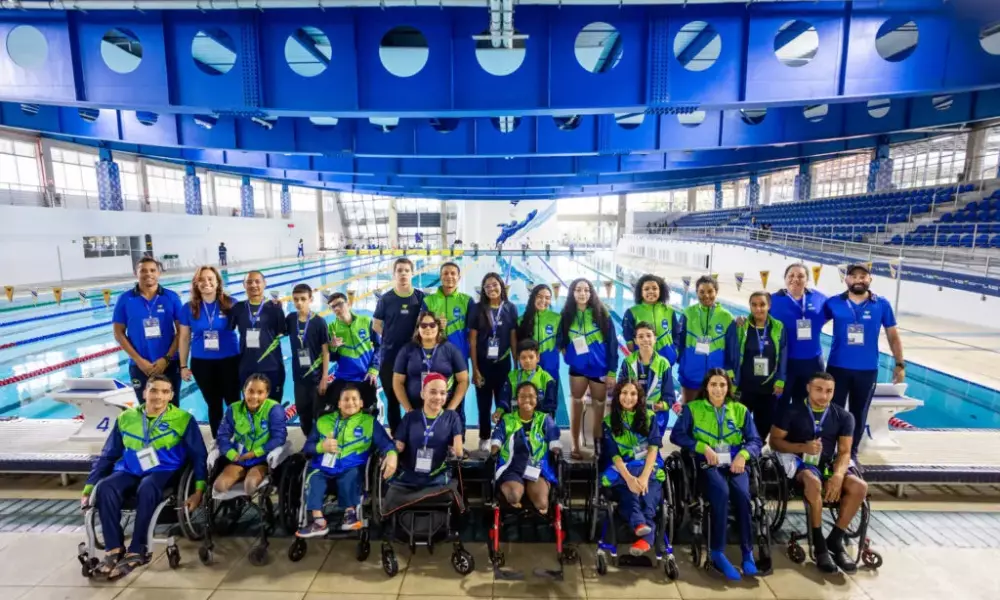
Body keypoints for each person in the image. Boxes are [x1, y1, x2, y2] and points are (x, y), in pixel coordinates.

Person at [81, 375, 207, 580]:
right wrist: (89, 487)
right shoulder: (126, 418)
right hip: (129, 470)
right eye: (154, 390)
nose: (159, 396)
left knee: (147, 487)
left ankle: (138, 548)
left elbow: (199, 455)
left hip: (163, 471)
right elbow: (109, 454)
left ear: (172, 396)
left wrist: (199, 490)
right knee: (105, 488)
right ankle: (114, 549)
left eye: (165, 392)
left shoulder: (183, 419)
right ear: (144, 393)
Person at [670, 368, 762, 581]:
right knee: (720, 493)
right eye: (714, 385)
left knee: (743, 495)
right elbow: (677, 435)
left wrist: (743, 455)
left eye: (722, 385)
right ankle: (717, 551)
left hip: (735, 462)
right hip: (706, 462)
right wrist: (702, 447)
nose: (718, 389)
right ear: (706, 387)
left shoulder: (740, 410)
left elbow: (755, 440)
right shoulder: (692, 409)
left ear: (728, 387)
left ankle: (747, 552)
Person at [769, 372, 866, 574]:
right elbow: (774, 442)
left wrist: (838, 476)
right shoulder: (791, 411)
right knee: (813, 482)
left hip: (829, 464)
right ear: (808, 388)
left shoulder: (844, 416)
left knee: (859, 487)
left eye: (829, 391)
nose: (824, 395)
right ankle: (819, 542)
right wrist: (801, 447)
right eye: (819, 390)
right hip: (801, 462)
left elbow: (846, 451)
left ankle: (835, 540)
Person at [822, 264, 905, 454]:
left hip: (866, 370)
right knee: (834, 412)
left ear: (870, 279)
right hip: (837, 368)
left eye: (863, 276)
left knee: (859, 413)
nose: (858, 280)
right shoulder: (834, 303)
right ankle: (829, 451)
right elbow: (812, 323)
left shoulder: (881, 304)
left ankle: (851, 453)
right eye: (854, 276)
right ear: (846, 279)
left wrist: (899, 364)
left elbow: (893, 335)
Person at [296, 383, 398, 537]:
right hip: (323, 467)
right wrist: (321, 446)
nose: (350, 402)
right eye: (346, 399)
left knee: (350, 477)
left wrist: (391, 455)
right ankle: (318, 521)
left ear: (361, 403)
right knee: (314, 478)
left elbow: (386, 443)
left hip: (352, 466)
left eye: (354, 399)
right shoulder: (323, 421)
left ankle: (350, 513)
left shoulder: (369, 422)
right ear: (339, 403)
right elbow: (307, 447)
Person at [600, 381, 666, 557]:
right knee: (631, 487)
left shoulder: (650, 417)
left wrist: (643, 477)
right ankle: (645, 532)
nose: (628, 398)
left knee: (647, 492)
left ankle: (640, 527)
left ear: (639, 397)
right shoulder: (608, 421)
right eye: (624, 393)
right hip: (622, 471)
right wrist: (629, 478)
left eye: (633, 394)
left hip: (648, 469)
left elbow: (653, 449)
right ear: (617, 396)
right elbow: (614, 455)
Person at [558, 278, 618, 460]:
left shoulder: (601, 313)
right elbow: (561, 340)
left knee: (599, 405)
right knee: (576, 401)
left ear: (591, 293)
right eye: (578, 290)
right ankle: (575, 444)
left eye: (586, 290)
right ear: (572, 293)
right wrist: (569, 357)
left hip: (599, 368)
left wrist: (612, 371)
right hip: (578, 368)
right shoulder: (567, 314)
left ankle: (597, 445)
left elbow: (613, 344)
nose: (582, 293)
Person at [179, 266, 241, 437]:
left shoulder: (231, 304)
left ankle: (239, 437)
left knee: (234, 402)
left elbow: (248, 326)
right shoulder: (188, 308)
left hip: (229, 361)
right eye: (202, 279)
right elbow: (184, 338)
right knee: (213, 404)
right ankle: (218, 440)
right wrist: (183, 365)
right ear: (196, 284)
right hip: (202, 363)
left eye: (210, 279)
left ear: (217, 282)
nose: (206, 283)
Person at [113, 257, 184, 403]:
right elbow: (118, 333)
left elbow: (182, 331)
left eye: (152, 270)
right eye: (143, 270)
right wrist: (139, 361)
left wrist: (166, 358)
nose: (148, 274)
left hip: (169, 364)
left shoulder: (171, 297)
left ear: (159, 273)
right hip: (139, 366)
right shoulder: (125, 299)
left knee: (173, 409)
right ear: (136, 273)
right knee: (146, 408)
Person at [489, 381, 561, 514]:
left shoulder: (545, 419)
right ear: (517, 399)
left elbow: (553, 437)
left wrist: (555, 448)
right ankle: (517, 496)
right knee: (513, 496)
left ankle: (534, 496)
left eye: (531, 396)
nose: (527, 399)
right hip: (512, 467)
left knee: (542, 503)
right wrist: (494, 447)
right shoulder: (507, 419)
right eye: (522, 396)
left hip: (537, 468)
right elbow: (497, 437)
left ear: (537, 399)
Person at [213, 374, 288, 496]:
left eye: (260, 392)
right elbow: (222, 436)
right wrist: (232, 455)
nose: (254, 396)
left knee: (250, 486)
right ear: (244, 391)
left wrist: (255, 453)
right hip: (239, 459)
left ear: (267, 394)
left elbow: (279, 437)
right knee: (219, 486)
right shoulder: (233, 409)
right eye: (250, 391)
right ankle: (234, 507)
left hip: (261, 459)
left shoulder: (274, 409)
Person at [374, 258, 426, 432]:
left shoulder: (420, 298)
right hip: (390, 357)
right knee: (393, 399)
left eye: (406, 270)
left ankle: (417, 433)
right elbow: (376, 324)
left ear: (412, 273)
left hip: (415, 357)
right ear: (394, 274)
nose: (403, 274)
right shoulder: (386, 299)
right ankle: (397, 437)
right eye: (399, 270)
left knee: (417, 397)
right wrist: (390, 338)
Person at [470, 273, 519, 451]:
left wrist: (517, 366)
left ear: (501, 286)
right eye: (487, 286)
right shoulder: (477, 309)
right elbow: (473, 341)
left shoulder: (510, 308)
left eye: (495, 285)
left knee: (503, 403)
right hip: (483, 364)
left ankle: (501, 436)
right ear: (483, 290)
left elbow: (513, 339)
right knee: (483, 405)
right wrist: (474, 369)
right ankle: (484, 437)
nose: (492, 288)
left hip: (503, 363)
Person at [390, 373, 464, 489]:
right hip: (410, 476)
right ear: (422, 394)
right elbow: (399, 446)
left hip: (438, 476)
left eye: (442, 393)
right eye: (433, 392)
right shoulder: (411, 417)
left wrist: (455, 451)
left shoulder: (452, 417)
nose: (438, 397)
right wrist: (390, 451)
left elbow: (458, 451)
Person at [393, 311, 469, 421]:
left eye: (432, 325)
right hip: (415, 411)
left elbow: (463, 380)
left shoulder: (450, 350)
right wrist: (408, 410)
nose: (428, 328)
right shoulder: (407, 350)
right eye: (423, 325)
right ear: (418, 328)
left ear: (438, 327)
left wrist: (450, 410)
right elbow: (397, 382)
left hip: (444, 411)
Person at [770, 264, 828, 404]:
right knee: (780, 405)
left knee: (807, 405)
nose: (795, 279)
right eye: (791, 276)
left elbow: (838, 314)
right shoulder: (773, 300)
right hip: (784, 362)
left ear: (807, 280)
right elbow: (756, 319)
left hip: (812, 362)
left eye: (801, 276)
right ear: (785, 279)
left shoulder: (819, 299)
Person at [735, 291, 787, 443]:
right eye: (754, 305)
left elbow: (783, 355)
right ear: (750, 307)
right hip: (745, 386)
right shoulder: (742, 325)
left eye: (762, 304)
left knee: (763, 426)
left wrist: (780, 380)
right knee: (738, 424)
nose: (758, 309)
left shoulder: (778, 327)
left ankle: (755, 454)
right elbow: (734, 353)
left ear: (769, 306)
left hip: (768, 388)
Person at [678, 275, 737, 404]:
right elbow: (679, 342)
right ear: (696, 292)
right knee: (688, 413)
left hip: (716, 377)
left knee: (712, 417)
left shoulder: (726, 317)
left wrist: (730, 374)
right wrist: (683, 364)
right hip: (691, 375)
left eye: (710, 291)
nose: (706, 295)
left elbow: (732, 349)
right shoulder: (688, 313)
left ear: (716, 292)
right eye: (702, 292)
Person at [230, 270, 287, 401]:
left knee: (273, 407)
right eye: (249, 282)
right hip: (247, 366)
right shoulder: (238, 308)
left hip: (272, 366)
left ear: (264, 284)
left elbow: (282, 331)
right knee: (250, 406)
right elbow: (228, 331)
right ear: (244, 285)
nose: (253, 285)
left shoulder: (275, 308)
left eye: (257, 281)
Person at [617, 321, 678, 435]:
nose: (645, 339)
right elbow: (620, 389)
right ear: (635, 341)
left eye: (649, 335)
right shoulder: (628, 362)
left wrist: (662, 405)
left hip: (656, 414)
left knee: (653, 448)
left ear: (655, 338)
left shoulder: (663, 364)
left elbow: (669, 395)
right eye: (641, 336)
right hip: (632, 411)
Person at [326, 292, 380, 413]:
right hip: (343, 377)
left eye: (339, 304)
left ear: (349, 304)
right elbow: (332, 358)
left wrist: (374, 369)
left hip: (366, 376)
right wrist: (333, 347)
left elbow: (380, 346)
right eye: (333, 307)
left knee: (370, 413)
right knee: (334, 411)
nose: (337, 309)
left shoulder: (366, 321)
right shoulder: (331, 328)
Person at [286, 284, 330, 436]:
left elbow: (326, 351)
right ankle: (308, 442)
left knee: (318, 414)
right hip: (299, 378)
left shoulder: (319, 322)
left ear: (310, 299)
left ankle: (319, 445)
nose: (299, 303)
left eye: (303, 299)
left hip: (316, 378)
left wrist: (325, 377)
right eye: (296, 299)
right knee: (302, 413)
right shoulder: (291, 319)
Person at [622, 274, 682, 367]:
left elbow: (676, 332)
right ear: (641, 292)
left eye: (654, 288)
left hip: (666, 359)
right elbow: (627, 333)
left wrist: (674, 350)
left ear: (660, 291)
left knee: (665, 381)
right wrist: (634, 347)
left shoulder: (669, 311)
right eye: (646, 289)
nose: (651, 291)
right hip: (643, 358)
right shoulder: (632, 312)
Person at [422, 261, 474, 361]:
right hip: (435, 355)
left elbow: (472, 333)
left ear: (459, 277)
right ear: (440, 277)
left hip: (460, 355)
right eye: (445, 273)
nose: (449, 276)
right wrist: (436, 325)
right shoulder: (428, 301)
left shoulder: (467, 301)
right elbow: (421, 329)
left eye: (453, 273)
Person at [495, 339, 557, 418]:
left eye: (531, 357)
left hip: (537, 422)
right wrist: (499, 411)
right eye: (523, 358)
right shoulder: (512, 376)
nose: (527, 361)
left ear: (538, 358)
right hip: (515, 421)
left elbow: (550, 405)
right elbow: (504, 399)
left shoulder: (547, 379)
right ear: (518, 359)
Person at [517, 284, 562, 391]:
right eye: (539, 296)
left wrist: (552, 354)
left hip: (550, 361)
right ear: (533, 297)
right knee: (529, 394)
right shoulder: (521, 320)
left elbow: (561, 341)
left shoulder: (556, 318)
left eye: (547, 298)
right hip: (529, 362)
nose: (543, 300)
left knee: (550, 394)